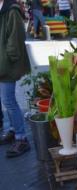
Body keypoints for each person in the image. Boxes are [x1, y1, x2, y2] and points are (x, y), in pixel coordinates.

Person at [0, 0, 31, 157]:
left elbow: (16, 37)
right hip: (2, 61)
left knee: (8, 101)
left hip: (6, 64)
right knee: (6, 99)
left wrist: (8, 59)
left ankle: (21, 138)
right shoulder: (4, 8)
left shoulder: (12, 10)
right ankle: (12, 130)